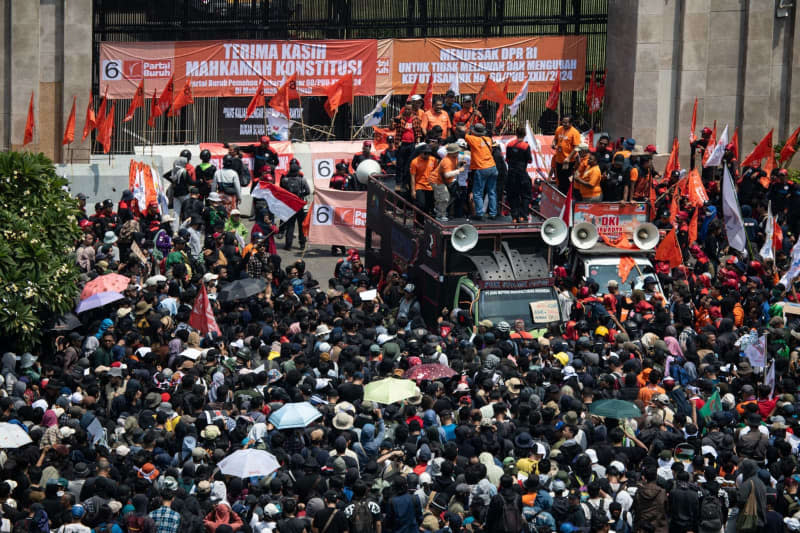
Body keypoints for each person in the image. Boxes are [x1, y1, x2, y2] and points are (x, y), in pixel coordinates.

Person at [464, 123, 498, 221]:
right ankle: (493, 213)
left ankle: (479, 213)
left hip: (481, 168)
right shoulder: (488, 139)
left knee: (477, 192)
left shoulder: (473, 139)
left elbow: (464, 133)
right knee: (492, 191)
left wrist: (470, 128)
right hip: (492, 167)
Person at [393, 104, 424, 193]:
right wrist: (393, 122)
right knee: (400, 165)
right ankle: (398, 183)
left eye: (409, 109)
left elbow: (418, 132)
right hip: (401, 144)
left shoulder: (416, 119)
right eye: (405, 109)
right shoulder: (399, 118)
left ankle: (406, 183)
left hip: (411, 144)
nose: (407, 111)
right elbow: (392, 127)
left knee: (409, 165)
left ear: (412, 110)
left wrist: (417, 143)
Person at [280, 161, 310, 250]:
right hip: (300, 205)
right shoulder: (302, 179)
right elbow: (308, 191)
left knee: (290, 226)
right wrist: (300, 195)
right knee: (301, 226)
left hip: (289, 206)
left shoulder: (285, 179)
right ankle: (302, 244)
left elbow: (281, 191)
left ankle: (288, 245)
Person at [505, 126, 533, 222]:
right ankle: (523, 215)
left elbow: (507, 159)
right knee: (526, 195)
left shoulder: (509, 144)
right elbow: (529, 160)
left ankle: (514, 217)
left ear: (516, 134)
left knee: (513, 195)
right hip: (522, 174)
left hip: (511, 173)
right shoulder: (525, 146)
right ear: (525, 134)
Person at [431, 143, 464, 222]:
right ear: (452, 153)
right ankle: (440, 215)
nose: (458, 153)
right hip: (437, 180)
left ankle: (438, 209)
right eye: (457, 152)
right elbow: (447, 175)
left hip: (444, 181)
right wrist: (459, 170)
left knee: (451, 196)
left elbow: (453, 167)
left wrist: (459, 164)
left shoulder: (454, 158)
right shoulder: (446, 161)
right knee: (444, 198)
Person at [550, 115, 582, 194]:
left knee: (567, 181)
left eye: (566, 122)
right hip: (559, 160)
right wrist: (553, 144)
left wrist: (568, 157)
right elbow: (555, 139)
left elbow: (577, 147)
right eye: (563, 122)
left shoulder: (575, 132)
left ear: (571, 123)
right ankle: (561, 197)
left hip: (569, 162)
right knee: (560, 180)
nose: (564, 124)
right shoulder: (559, 129)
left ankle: (568, 198)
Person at [409, 144, 437, 216]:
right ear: (421, 152)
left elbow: (435, 172)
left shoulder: (433, 160)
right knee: (421, 205)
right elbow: (412, 176)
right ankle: (418, 222)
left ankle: (425, 224)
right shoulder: (414, 162)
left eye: (429, 153)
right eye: (425, 153)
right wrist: (413, 190)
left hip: (430, 186)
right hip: (420, 186)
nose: (427, 155)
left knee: (429, 206)